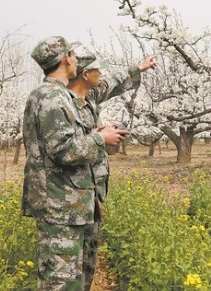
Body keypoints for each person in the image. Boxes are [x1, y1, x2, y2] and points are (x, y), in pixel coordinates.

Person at [21, 36, 128, 291]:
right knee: (60, 281)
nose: (77, 59)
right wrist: (100, 139)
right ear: (66, 58)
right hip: (59, 204)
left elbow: (62, 140)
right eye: (74, 54)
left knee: (72, 279)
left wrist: (95, 133)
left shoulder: (54, 95)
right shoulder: (53, 97)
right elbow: (63, 150)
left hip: (67, 202)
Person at [67, 50, 157, 291]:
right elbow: (66, 148)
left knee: (89, 254)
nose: (101, 74)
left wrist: (139, 68)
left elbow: (114, 83)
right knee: (70, 262)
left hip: (91, 188)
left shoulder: (91, 96)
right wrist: (99, 137)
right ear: (85, 74)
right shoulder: (64, 104)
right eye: (97, 70)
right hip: (72, 193)